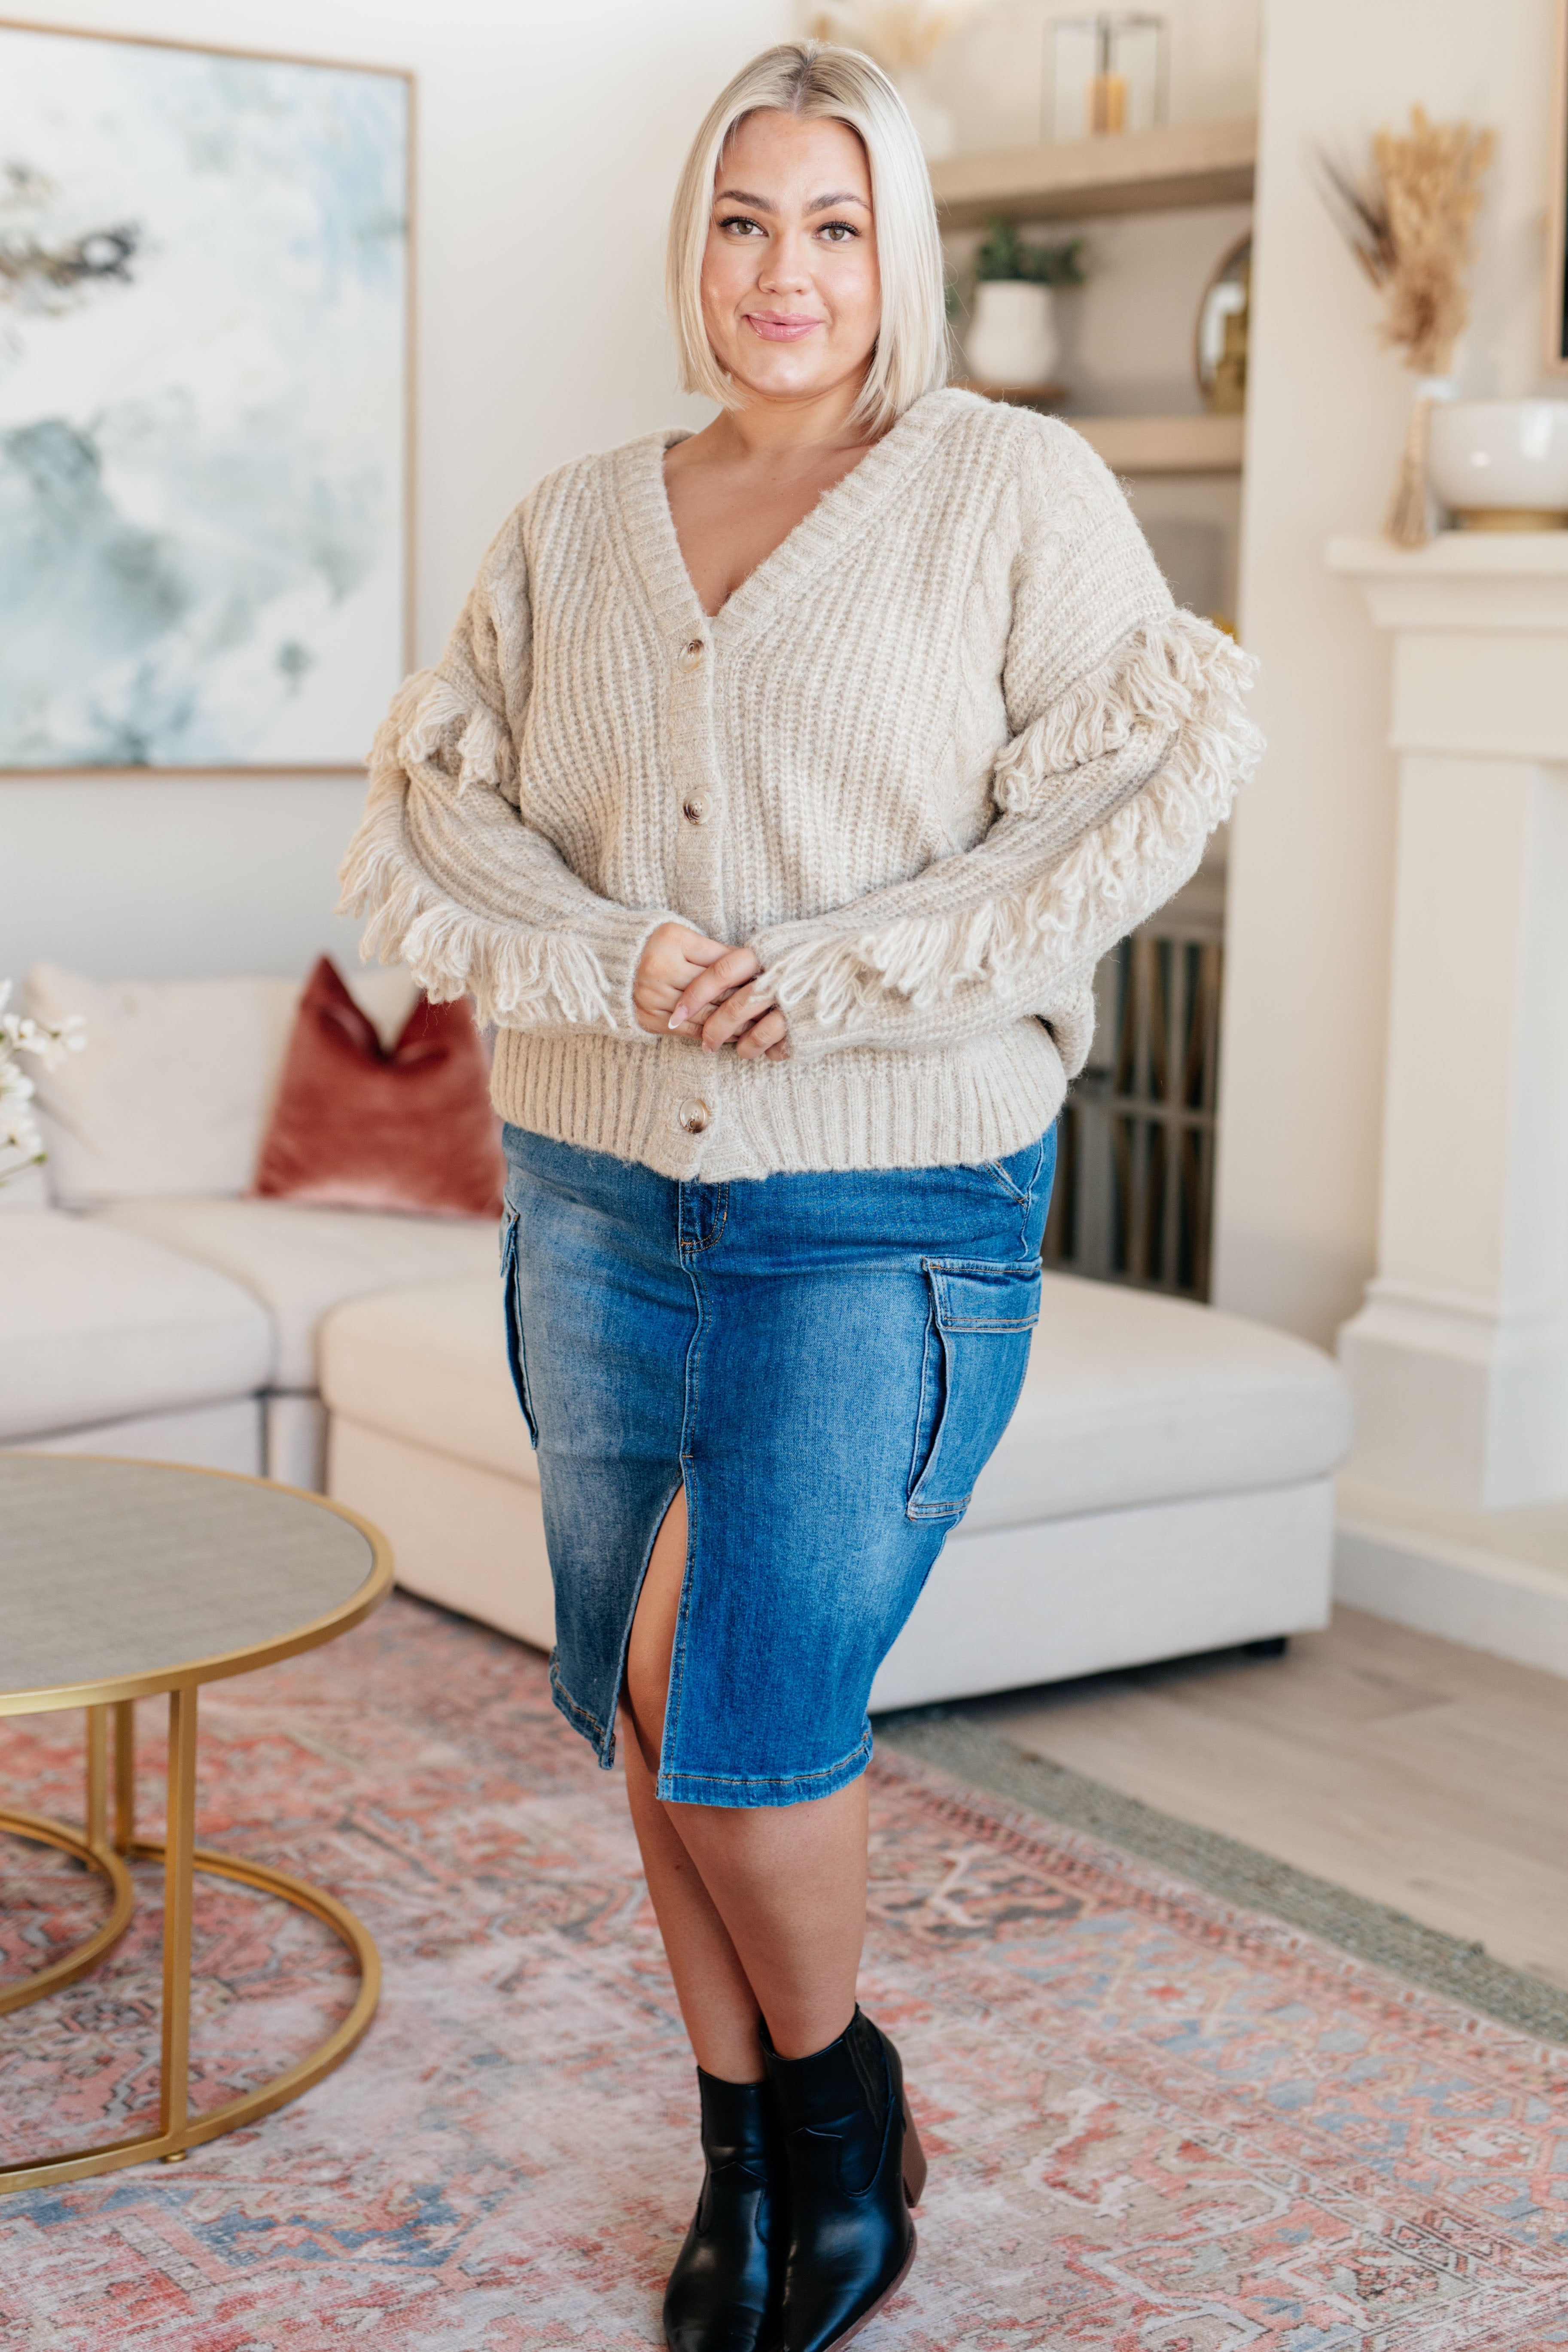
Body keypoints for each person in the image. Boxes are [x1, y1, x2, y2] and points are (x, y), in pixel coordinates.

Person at [341, 38, 1259, 2352]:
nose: (784, 270)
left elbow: (1135, 785)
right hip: (589, 1194)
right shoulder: (570, 520)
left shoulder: (1007, 487)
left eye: (833, 223)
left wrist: (832, 972)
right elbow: (444, 803)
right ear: (695, 243)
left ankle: (840, 2109)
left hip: (885, 1200)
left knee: (728, 1708)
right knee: (641, 1711)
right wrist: (594, 955)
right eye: (744, 219)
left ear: (899, 252)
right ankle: (758, 2174)